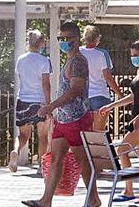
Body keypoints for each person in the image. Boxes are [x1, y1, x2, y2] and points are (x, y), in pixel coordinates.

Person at [23, 22, 99, 207]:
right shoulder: (70, 59)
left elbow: (75, 90)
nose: (65, 42)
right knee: (56, 158)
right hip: (64, 119)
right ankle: (46, 200)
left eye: (68, 38)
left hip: (76, 118)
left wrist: (51, 106)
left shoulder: (79, 61)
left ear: (77, 38)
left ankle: (93, 198)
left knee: (82, 161)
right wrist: (56, 111)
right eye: (61, 39)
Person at [100, 35, 139, 203]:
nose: (133, 58)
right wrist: (112, 106)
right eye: (131, 54)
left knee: (122, 150)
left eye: (136, 55)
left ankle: (129, 190)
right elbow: (134, 96)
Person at [10, 29, 51, 172]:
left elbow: (21, 78)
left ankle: (16, 150)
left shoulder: (21, 59)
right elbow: (46, 84)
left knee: (23, 135)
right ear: (40, 43)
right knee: (43, 136)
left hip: (23, 101)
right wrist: (49, 105)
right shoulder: (44, 61)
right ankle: (41, 166)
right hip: (39, 101)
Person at [82, 25, 123, 131]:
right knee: (98, 134)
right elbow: (108, 77)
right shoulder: (102, 54)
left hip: (83, 96)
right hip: (100, 95)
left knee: (86, 134)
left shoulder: (78, 52)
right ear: (97, 38)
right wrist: (120, 95)